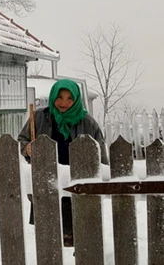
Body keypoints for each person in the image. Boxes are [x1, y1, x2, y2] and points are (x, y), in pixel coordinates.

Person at [17, 79, 109, 249]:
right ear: (52, 97)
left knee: (81, 233)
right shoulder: (39, 117)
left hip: (78, 185)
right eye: (59, 97)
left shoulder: (88, 123)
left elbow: (101, 157)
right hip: (47, 183)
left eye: (69, 98)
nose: (64, 102)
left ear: (76, 100)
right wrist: (27, 148)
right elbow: (23, 140)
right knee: (49, 234)